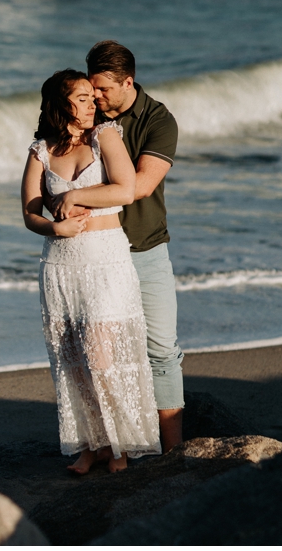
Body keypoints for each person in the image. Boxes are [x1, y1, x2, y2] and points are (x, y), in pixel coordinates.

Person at [21, 69, 161, 474]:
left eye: (91, 96)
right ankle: (91, 445)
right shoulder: (40, 150)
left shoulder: (106, 136)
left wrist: (75, 194)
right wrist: (54, 227)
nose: (92, 103)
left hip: (105, 259)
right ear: (59, 104)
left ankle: (119, 446)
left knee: (100, 357)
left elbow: (126, 188)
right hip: (61, 264)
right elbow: (30, 212)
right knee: (72, 361)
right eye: (82, 97)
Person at [86, 40, 184, 452]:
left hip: (145, 250)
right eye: (92, 89)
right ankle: (114, 448)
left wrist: (75, 199)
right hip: (96, 254)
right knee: (103, 356)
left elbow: (140, 187)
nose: (96, 97)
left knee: (161, 350)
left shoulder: (159, 120)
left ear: (129, 82)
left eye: (104, 89)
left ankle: (174, 453)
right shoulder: (85, 116)